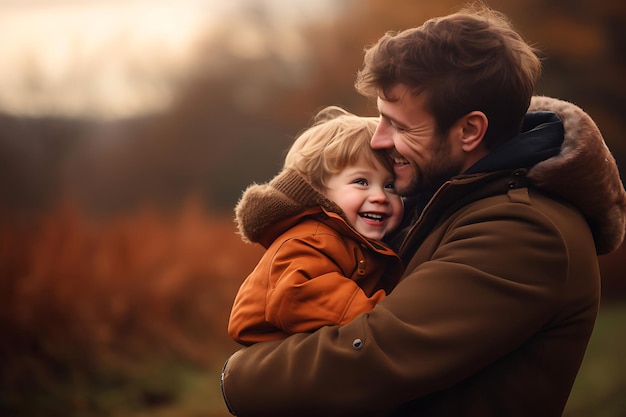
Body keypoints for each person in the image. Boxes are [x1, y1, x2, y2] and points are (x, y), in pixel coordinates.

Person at [221, 4, 626, 417]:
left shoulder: (525, 230)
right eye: (380, 118)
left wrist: (236, 378)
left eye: (398, 125)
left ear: (470, 130)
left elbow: (371, 357)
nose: (378, 140)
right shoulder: (446, 196)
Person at [228, 106, 404, 346]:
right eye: (361, 181)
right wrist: (378, 313)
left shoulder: (353, 239)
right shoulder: (311, 238)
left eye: (390, 186)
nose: (380, 197)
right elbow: (296, 292)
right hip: (281, 358)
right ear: (319, 192)